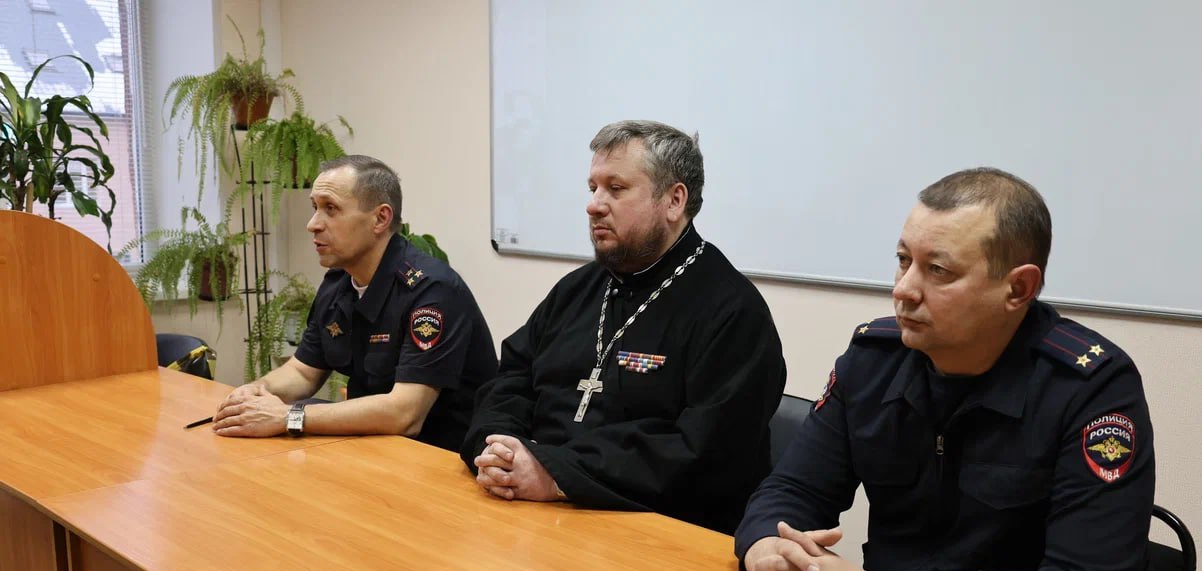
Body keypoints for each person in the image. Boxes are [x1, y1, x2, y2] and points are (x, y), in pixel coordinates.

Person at [735, 168, 1168, 571]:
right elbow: (792, 490)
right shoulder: (872, 361)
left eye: (937, 270)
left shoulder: (1091, 388)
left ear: (1018, 288)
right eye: (903, 261)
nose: (904, 290)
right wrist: (768, 551)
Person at [462, 120, 786, 534]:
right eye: (592, 188)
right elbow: (510, 379)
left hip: (656, 531)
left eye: (615, 189)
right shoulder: (576, 290)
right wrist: (497, 449)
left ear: (674, 201)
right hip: (531, 508)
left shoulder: (733, 313)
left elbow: (702, 452)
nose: (594, 205)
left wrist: (556, 474)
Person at [213, 155, 497, 451]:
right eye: (314, 208)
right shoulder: (339, 283)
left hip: (441, 457)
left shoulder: (431, 291)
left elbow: (405, 414)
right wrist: (257, 390)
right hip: (372, 447)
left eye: (330, 209)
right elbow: (303, 372)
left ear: (380, 219)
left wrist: (289, 417)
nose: (313, 224)